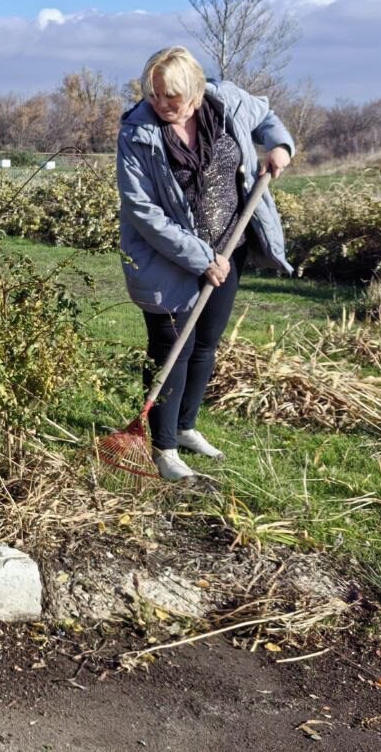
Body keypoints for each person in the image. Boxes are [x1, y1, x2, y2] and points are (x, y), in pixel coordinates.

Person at [116, 46, 294, 481]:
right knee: (171, 348)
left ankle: (185, 426)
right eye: (154, 94)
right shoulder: (138, 133)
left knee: (205, 343)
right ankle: (164, 448)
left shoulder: (226, 102)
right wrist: (201, 259)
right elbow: (143, 211)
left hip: (230, 246)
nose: (161, 104)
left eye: (171, 96)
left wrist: (279, 146)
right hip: (166, 256)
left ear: (196, 91)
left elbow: (267, 117)